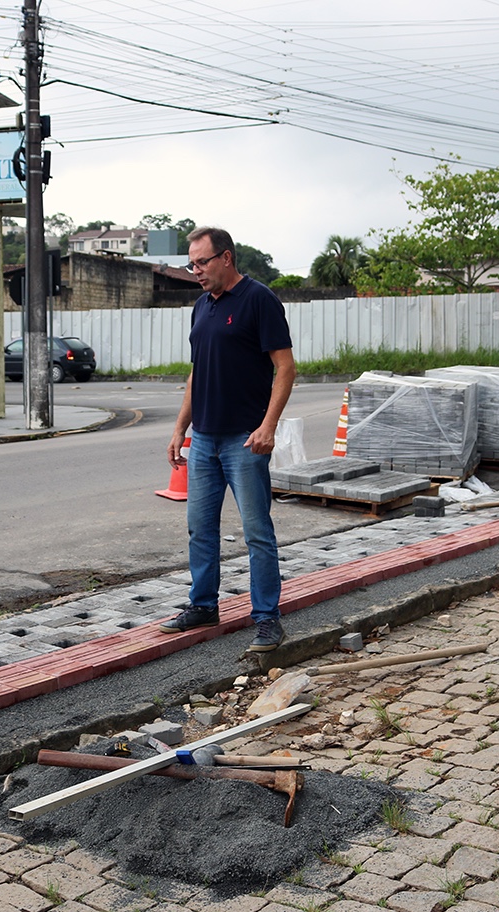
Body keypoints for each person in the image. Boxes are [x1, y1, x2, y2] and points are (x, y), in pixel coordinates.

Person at [162, 227, 296, 653]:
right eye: (191, 263)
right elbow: (196, 371)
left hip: (244, 440)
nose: (196, 271)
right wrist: (181, 427)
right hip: (202, 438)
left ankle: (267, 619)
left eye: (202, 262)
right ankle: (203, 605)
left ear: (227, 258)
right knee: (200, 529)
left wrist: (269, 425)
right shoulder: (201, 307)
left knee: (257, 532)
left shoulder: (259, 300)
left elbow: (286, 367)